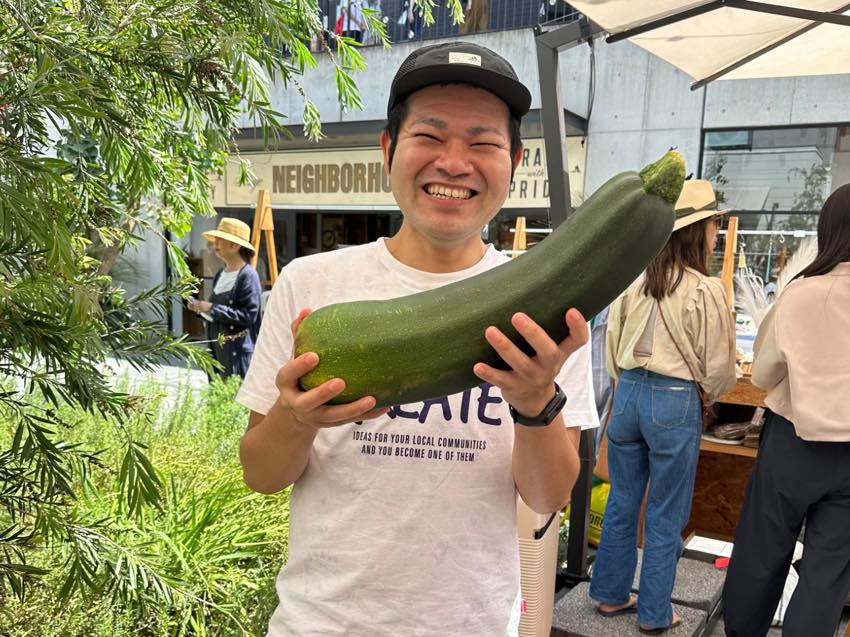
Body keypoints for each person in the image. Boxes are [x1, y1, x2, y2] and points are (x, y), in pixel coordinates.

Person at [236, 42, 599, 636]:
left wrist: (537, 403)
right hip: (322, 624)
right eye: (430, 136)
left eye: (482, 142)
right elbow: (261, 474)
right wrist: (296, 419)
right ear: (388, 149)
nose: (454, 162)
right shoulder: (313, 284)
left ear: (515, 159)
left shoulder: (547, 312)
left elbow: (547, 496)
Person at [589, 179, 737, 634]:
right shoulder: (705, 289)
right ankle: (655, 612)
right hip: (674, 402)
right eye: (715, 224)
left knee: (622, 499)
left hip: (628, 394)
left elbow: (611, 350)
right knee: (665, 511)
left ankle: (610, 595)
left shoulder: (633, 282)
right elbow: (720, 369)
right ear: (701, 230)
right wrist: (708, 392)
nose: (717, 233)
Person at [722, 184, 850, 637]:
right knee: (829, 571)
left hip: (794, 442)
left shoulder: (801, 293)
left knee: (762, 551)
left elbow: (761, 375)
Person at [189, 217, 262, 379]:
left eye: (219, 240)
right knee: (218, 397)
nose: (214, 244)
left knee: (233, 399)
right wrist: (201, 309)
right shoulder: (221, 274)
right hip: (217, 351)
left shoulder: (248, 276)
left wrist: (211, 308)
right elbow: (217, 313)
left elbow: (248, 316)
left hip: (236, 353)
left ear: (234, 245)